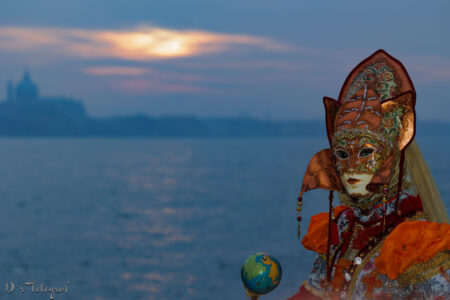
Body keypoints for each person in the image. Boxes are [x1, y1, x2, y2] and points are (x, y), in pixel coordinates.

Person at [289, 50, 450, 300]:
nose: (352, 166)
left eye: (365, 152)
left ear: (393, 156)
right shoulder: (341, 230)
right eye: (342, 154)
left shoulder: (416, 242)